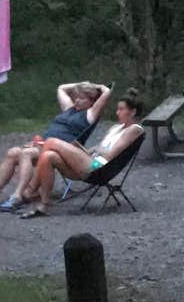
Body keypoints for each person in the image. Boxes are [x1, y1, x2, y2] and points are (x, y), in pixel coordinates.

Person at [0, 80, 112, 211]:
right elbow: (61, 88)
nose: (76, 100)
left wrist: (94, 86)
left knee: (25, 153)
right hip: (41, 144)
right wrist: (81, 85)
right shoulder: (69, 109)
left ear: (92, 101)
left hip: (60, 150)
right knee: (12, 153)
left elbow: (106, 92)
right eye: (76, 97)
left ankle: (18, 195)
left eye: (81, 98)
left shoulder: (90, 114)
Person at [15, 92, 146, 218]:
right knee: (49, 155)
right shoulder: (115, 128)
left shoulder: (134, 129)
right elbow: (99, 148)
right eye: (118, 109)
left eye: (121, 109)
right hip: (91, 161)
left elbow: (110, 155)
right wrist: (83, 150)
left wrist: (92, 151)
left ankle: (30, 190)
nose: (117, 112)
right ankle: (44, 204)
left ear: (133, 111)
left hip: (99, 167)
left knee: (51, 142)